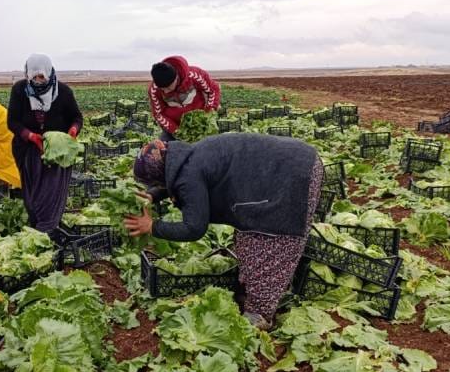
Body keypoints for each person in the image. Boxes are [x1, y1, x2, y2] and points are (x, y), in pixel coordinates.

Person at [122, 134, 323, 328]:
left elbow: (194, 228)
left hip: (293, 174)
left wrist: (152, 226)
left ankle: (261, 314)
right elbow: (174, 178)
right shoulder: (183, 157)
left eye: (155, 183)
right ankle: (259, 293)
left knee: (270, 241)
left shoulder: (189, 175)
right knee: (249, 240)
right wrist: (152, 196)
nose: (157, 186)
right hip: (293, 161)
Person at [6, 53, 83, 235]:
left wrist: (73, 130)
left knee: (51, 193)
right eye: (33, 77)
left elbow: (77, 118)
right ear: (27, 75)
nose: (38, 81)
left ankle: (46, 229)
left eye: (41, 77)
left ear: (49, 73)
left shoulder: (63, 92)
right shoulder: (20, 90)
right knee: (32, 195)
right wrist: (30, 136)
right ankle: (37, 225)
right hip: (28, 151)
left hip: (56, 153)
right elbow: (12, 122)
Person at [147, 55, 221, 141]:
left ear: (176, 78)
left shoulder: (194, 75)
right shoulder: (154, 90)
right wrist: (175, 130)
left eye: (169, 87)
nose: (166, 92)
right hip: (175, 126)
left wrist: (210, 110)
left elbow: (213, 90)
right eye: (163, 89)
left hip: (200, 123)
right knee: (165, 147)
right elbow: (158, 114)